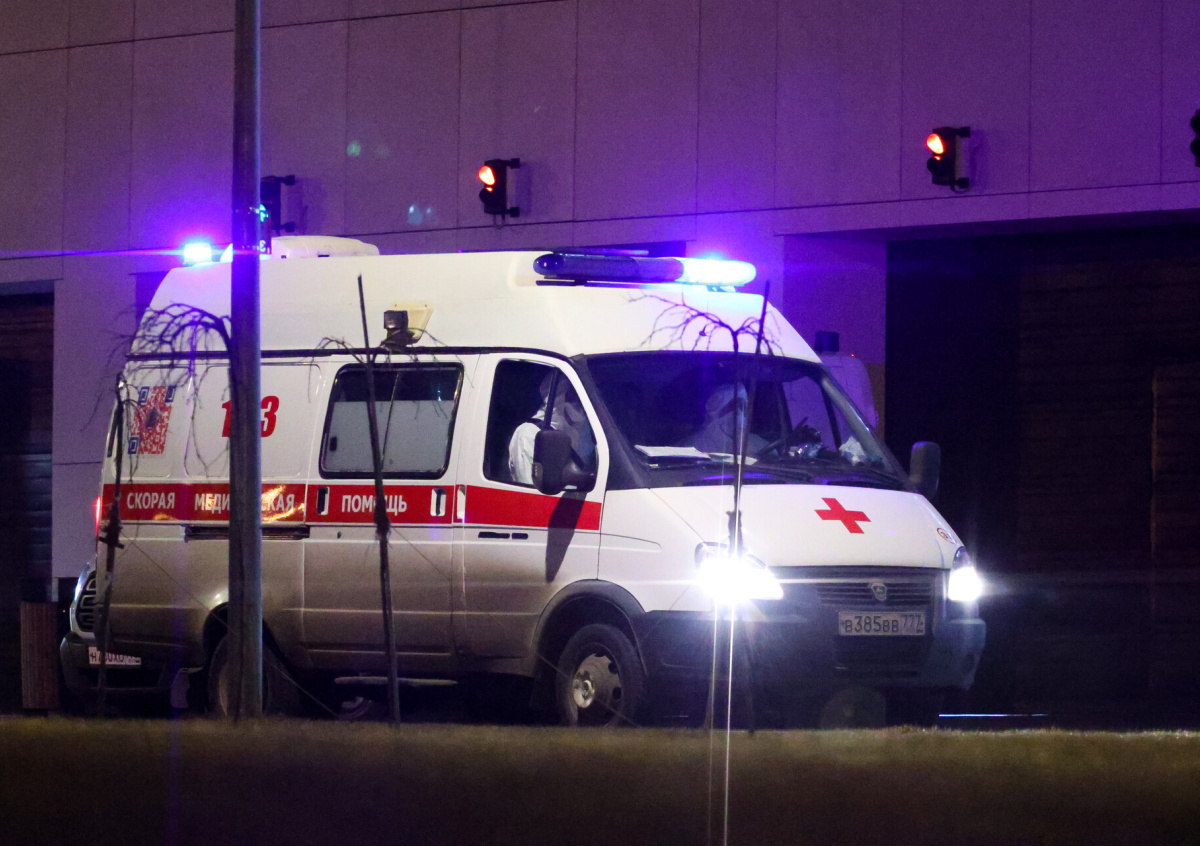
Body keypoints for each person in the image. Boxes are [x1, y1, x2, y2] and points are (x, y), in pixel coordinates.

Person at [508, 374, 596, 486]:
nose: (579, 403)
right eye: (572, 396)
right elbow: (530, 489)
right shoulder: (528, 434)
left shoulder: (585, 431)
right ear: (558, 397)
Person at [693, 382, 765, 456]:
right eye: (733, 406)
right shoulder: (696, 445)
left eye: (742, 407)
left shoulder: (759, 444)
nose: (739, 412)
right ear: (717, 409)